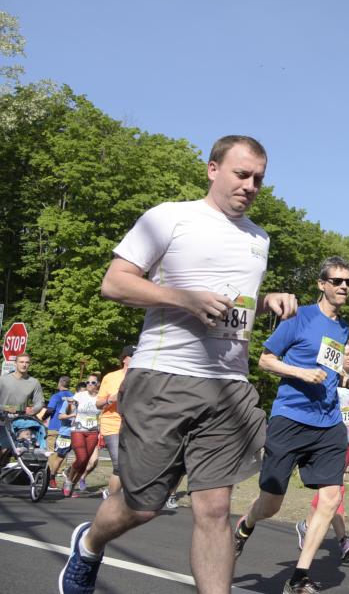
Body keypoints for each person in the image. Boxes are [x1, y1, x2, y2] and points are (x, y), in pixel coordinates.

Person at [59, 135, 297, 594]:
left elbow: (236, 305)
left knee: (213, 508)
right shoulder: (170, 217)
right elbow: (115, 283)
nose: (250, 186)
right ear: (213, 169)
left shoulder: (258, 238)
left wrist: (267, 302)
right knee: (143, 505)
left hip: (229, 385)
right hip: (164, 376)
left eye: (259, 179)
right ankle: (89, 544)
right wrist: (183, 299)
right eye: (241, 174)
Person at [233, 256, 349, 593]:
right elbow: (265, 359)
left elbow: (329, 368)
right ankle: (245, 524)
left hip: (329, 422)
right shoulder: (298, 317)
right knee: (271, 504)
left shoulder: (342, 328)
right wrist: (301, 373)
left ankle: (299, 576)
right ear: (322, 284)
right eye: (337, 281)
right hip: (290, 418)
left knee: (330, 498)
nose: (344, 287)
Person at [295, 341, 349, 561]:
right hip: (330, 438)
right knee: (334, 488)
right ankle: (342, 540)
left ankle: (307, 526)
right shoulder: (330, 378)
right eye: (346, 353)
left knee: (330, 489)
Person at [96, 346, 133, 502]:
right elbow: (98, 404)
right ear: (124, 358)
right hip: (112, 423)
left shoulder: (143, 378)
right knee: (119, 465)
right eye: (133, 356)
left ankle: (118, 495)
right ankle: (112, 500)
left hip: (134, 424)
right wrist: (110, 399)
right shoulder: (111, 377)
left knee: (132, 464)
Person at [61, 374, 102, 497]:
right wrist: (70, 404)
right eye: (87, 382)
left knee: (84, 463)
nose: (89, 384)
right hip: (78, 429)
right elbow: (68, 412)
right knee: (82, 457)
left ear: (98, 384)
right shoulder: (79, 395)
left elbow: (104, 412)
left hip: (93, 431)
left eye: (93, 382)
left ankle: (73, 484)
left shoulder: (100, 397)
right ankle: (68, 480)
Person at [41, 375, 74, 478]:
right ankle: (61, 470)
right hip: (66, 427)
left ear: (60, 383)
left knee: (51, 449)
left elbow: (50, 409)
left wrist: (42, 418)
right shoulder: (73, 396)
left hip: (55, 426)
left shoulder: (56, 396)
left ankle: (51, 470)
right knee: (62, 449)